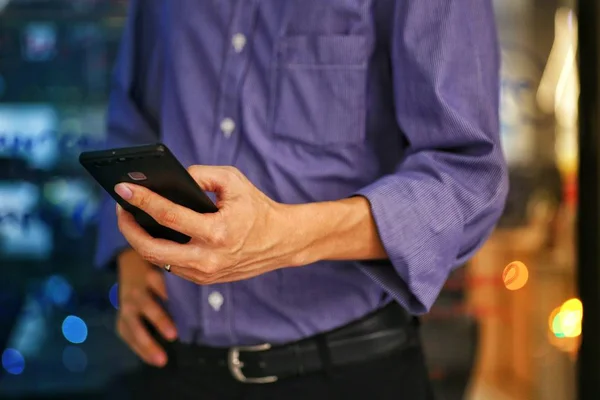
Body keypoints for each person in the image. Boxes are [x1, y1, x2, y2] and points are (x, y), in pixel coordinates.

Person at [97, 0, 508, 399]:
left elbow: (467, 175)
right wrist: (130, 257)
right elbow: (134, 118)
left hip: (348, 372)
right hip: (177, 368)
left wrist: (287, 236)